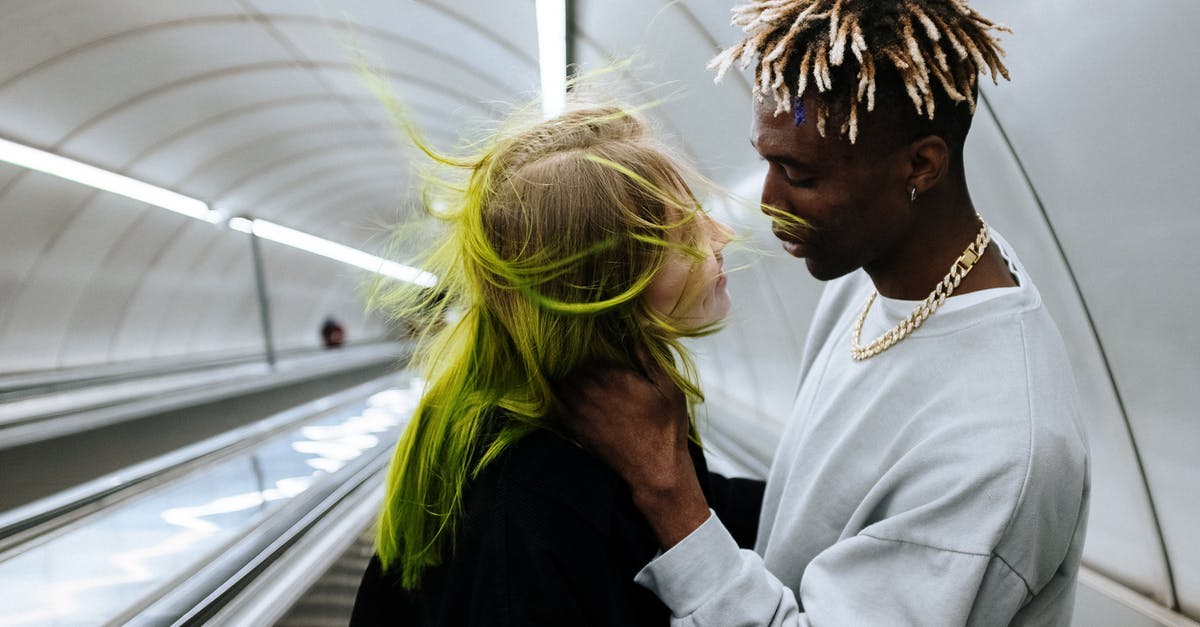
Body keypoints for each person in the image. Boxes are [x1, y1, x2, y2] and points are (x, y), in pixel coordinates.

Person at [562, 1, 1091, 625]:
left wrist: (668, 489)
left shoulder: (1000, 449)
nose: (768, 202)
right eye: (767, 161)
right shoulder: (871, 280)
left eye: (800, 175)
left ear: (921, 165)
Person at [350, 103, 761, 626]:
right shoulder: (526, 509)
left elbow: (708, 502)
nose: (721, 235)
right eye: (682, 236)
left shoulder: (622, 415)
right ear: (604, 287)